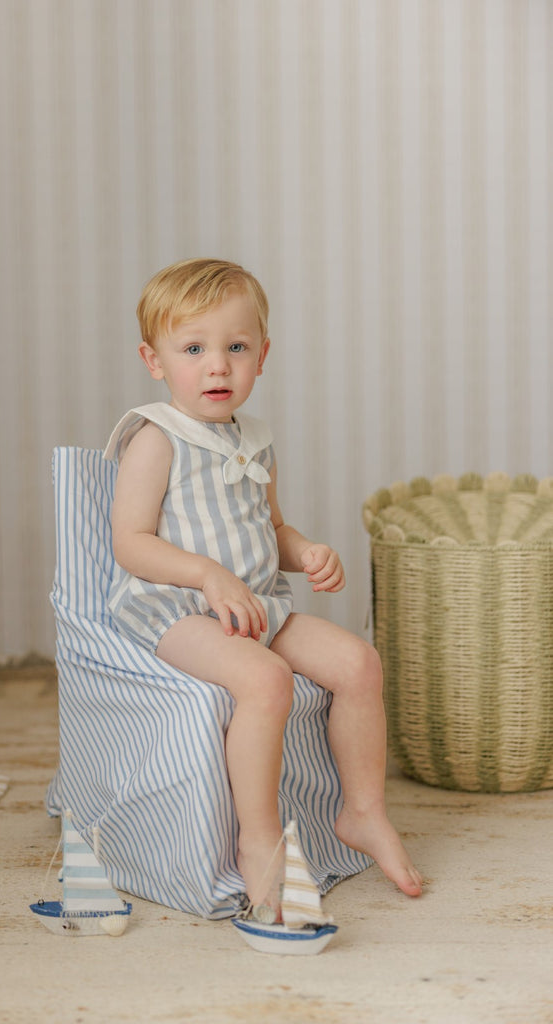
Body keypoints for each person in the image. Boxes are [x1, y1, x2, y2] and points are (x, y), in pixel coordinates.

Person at [105, 257, 423, 913]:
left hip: (256, 606)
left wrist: (304, 552)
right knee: (266, 680)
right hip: (178, 611)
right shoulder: (156, 439)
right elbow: (130, 542)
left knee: (358, 663)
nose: (217, 366)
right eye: (193, 349)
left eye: (236, 347)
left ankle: (362, 812)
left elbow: (270, 527)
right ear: (154, 360)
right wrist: (207, 575)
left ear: (262, 355)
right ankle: (258, 839)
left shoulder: (255, 440)